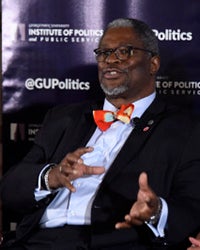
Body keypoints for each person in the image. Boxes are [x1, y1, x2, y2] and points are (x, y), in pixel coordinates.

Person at [1, 17, 200, 250]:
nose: (110, 60)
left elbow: (192, 205)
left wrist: (156, 212)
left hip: (117, 242)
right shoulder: (63, 118)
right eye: (103, 52)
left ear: (153, 64)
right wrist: (51, 177)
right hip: (37, 242)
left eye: (124, 51)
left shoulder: (187, 129)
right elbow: (10, 189)